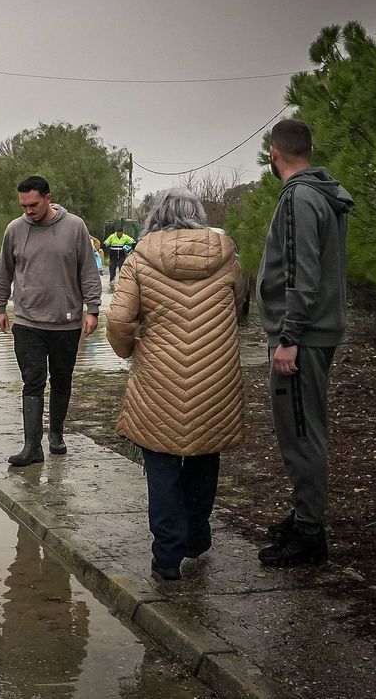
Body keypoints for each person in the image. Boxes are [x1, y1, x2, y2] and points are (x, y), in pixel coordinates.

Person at [106, 188, 247, 581]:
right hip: (215, 374)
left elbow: (118, 321)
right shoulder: (227, 256)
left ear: (157, 216)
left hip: (158, 376)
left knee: (162, 459)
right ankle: (197, 536)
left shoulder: (139, 257)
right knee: (205, 454)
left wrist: (128, 349)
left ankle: (167, 556)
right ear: (198, 215)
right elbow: (239, 304)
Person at [255, 118, 355, 567]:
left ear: (273, 154)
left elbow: (300, 272)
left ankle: (309, 535)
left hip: (303, 334)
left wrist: (288, 337)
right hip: (318, 330)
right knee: (306, 427)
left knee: (300, 432)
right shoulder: (322, 192)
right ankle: (303, 516)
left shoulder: (298, 197)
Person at [0, 176, 101, 466]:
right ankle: (32, 446)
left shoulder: (75, 227)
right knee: (32, 381)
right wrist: (0, 305)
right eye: (24, 206)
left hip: (65, 321)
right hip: (27, 321)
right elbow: (4, 270)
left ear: (49, 198)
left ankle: (56, 433)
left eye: (34, 204)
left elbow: (88, 270)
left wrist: (93, 309)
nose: (28, 211)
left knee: (62, 379)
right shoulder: (14, 230)